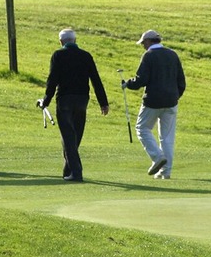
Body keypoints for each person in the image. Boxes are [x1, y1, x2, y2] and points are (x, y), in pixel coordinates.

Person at [39, 28, 110, 182]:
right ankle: (68, 170)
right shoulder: (86, 56)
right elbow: (96, 80)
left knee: (68, 137)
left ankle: (76, 173)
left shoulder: (58, 55)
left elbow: (52, 80)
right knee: (75, 136)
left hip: (64, 99)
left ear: (61, 41)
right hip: (82, 100)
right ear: (75, 40)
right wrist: (103, 103)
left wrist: (46, 100)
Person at [122, 29, 185, 179]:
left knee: (142, 128)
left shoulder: (149, 55)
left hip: (153, 101)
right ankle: (165, 171)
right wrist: (175, 96)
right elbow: (181, 81)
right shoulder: (172, 54)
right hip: (171, 101)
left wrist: (127, 84)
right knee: (167, 137)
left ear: (149, 41)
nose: (143, 45)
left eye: (143, 43)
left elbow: (141, 80)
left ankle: (157, 157)